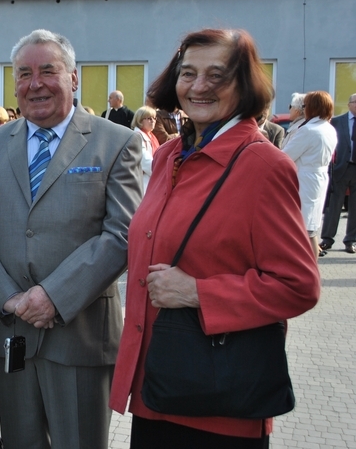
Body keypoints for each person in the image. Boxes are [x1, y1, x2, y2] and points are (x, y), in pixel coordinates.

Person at [109, 28, 320, 448]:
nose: (199, 86)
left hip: (218, 402)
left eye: (217, 75)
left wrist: (198, 292)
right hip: (158, 386)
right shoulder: (170, 154)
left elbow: (299, 286)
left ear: (244, 85)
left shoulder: (262, 165)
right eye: (188, 73)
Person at [0, 29, 142, 449]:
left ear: (74, 78)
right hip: (11, 332)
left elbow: (122, 233)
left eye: (48, 71)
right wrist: (8, 297)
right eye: (24, 74)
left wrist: (54, 296)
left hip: (80, 337)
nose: (35, 84)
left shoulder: (117, 142)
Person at [282, 91, 338, 257]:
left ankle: (301, 267)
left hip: (304, 179)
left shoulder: (308, 130)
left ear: (312, 107)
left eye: (305, 106)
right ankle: (312, 267)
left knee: (299, 228)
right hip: (319, 177)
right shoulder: (329, 128)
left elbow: (286, 155)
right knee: (311, 229)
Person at [319, 93, 356, 253]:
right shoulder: (337, 121)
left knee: (354, 207)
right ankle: (327, 239)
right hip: (340, 168)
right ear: (349, 104)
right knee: (334, 205)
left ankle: (351, 241)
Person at [131, 105, 159, 192]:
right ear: (140, 120)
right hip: (143, 180)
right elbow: (145, 161)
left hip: (151, 178)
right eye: (149, 118)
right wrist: (160, 171)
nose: (153, 121)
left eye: (154, 118)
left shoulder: (152, 136)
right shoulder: (137, 136)